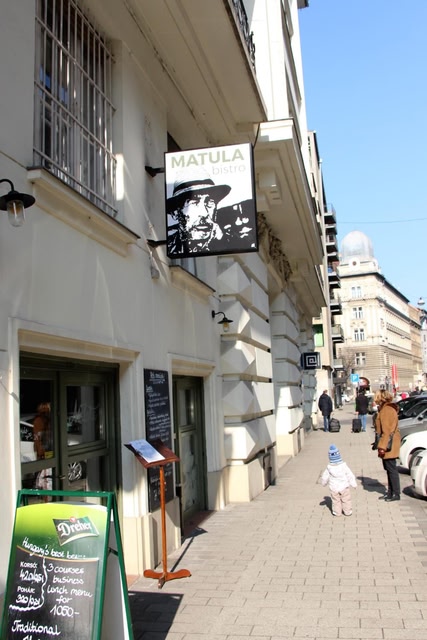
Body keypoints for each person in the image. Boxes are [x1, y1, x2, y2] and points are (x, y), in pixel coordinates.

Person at [167, 169, 231, 256]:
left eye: (210, 202)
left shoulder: (231, 242)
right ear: (175, 213)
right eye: (194, 203)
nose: (204, 213)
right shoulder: (169, 245)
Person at [373, 389, 401, 502]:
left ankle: (396, 493)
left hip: (389, 443)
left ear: (380, 397)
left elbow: (387, 431)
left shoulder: (386, 410)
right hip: (389, 442)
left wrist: (382, 447)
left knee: (391, 468)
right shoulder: (385, 408)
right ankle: (390, 492)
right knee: (389, 468)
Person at [321, 444, 357, 516]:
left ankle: (337, 512)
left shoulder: (329, 467)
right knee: (346, 500)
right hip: (344, 487)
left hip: (334, 488)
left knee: (336, 501)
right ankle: (348, 511)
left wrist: (324, 483)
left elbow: (324, 477)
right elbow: (350, 475)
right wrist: (354, 484)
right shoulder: (344, 466)